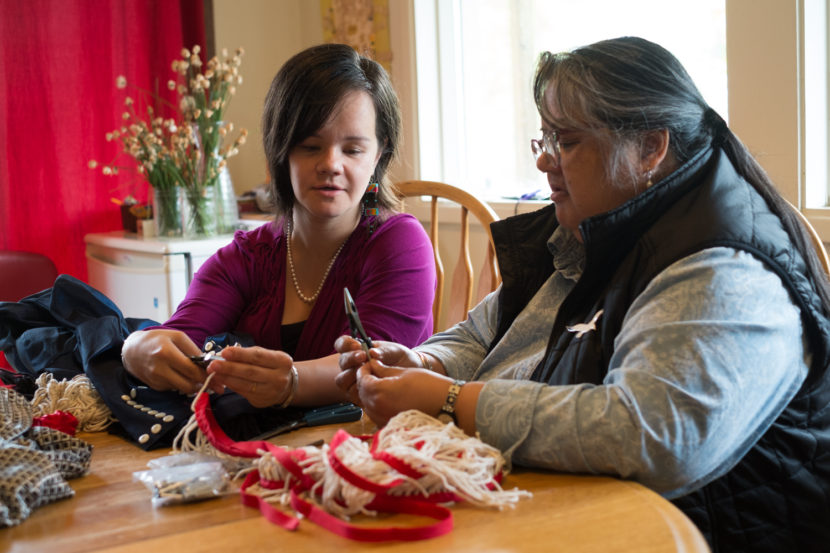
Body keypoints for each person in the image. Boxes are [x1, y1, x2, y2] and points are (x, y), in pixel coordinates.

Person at [335, 37, 830, 551]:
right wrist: (424, 363)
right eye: (544, 139)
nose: (545, 162)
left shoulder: (723, 265)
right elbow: (485, 335)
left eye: (566, 142)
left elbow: (650, 435)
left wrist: (452, 400)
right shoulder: (602, 227)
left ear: (650, 148)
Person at [121, 44, 435, 418]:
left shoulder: (401, 244)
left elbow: (376, 363)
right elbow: (178, 338)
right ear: (280, 151)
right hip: (261, 459)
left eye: (352, 149)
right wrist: (136, 348)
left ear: (378, 155)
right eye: (310, 146)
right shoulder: (246, 257)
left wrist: (291, 383)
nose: (331, 164)